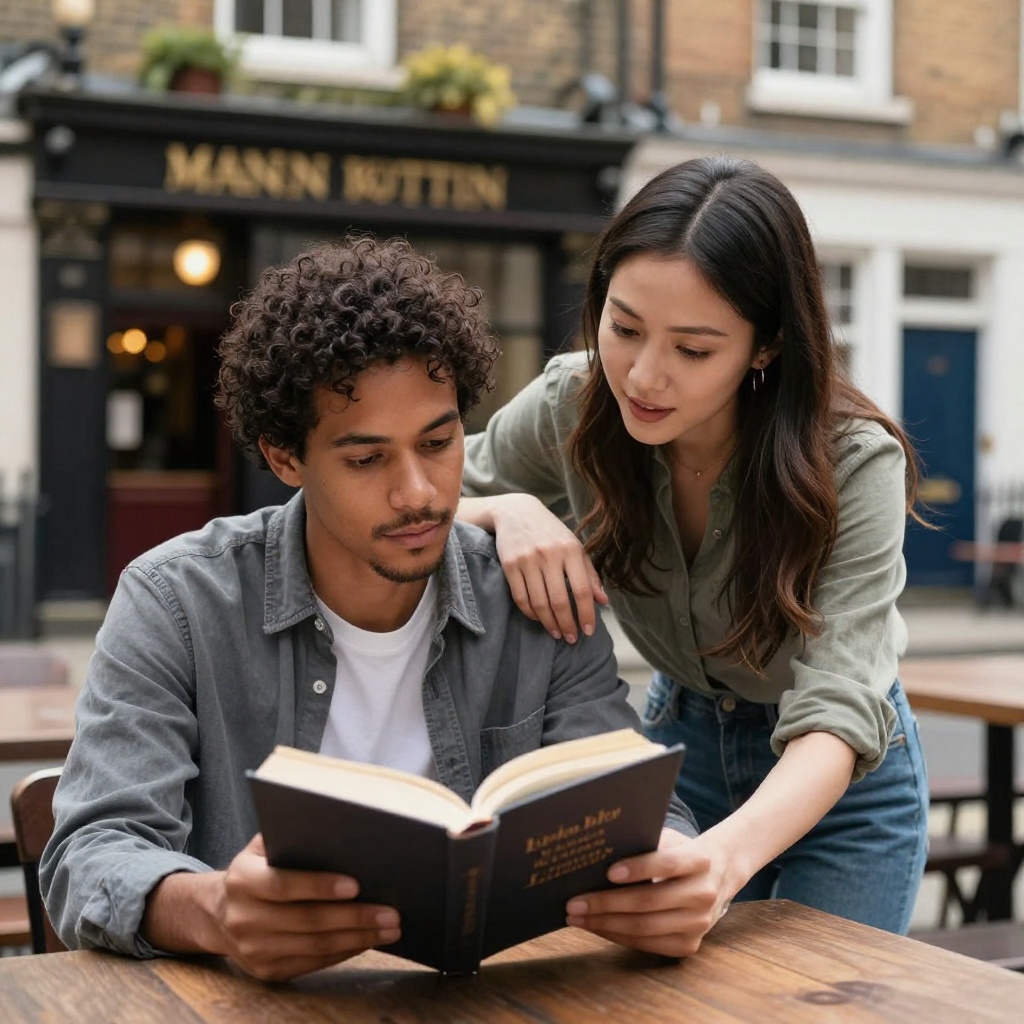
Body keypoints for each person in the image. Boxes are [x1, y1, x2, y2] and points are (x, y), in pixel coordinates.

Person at [40, 236, 710, 984]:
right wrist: (218, 911)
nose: (419, 492)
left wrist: (672, 876)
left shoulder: (538, 598)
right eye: (366, 460)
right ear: (285, 457)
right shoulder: (176, 601)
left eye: (439, 441)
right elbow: (91, 854)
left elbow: (635, 813)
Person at [458, 155, 930, 935]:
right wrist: (504, 508)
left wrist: (724, 862)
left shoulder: (854, 463)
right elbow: (404, 502)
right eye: (625, 327)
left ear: (767, 345)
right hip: (680, 747)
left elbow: (839, 710)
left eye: (695, 349)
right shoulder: (571, 405)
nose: (644, 376)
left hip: (843, 786)